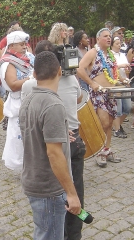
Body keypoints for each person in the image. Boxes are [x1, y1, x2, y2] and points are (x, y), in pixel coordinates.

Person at [21, 40, 86, 240]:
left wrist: (57, 131)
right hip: (49, 187)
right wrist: (72, 193)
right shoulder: (53, 105)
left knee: (43, 232)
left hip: (33, 181)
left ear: (34, 74)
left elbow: (34, 133)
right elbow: (54, 153)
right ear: (59, 71)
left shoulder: (28, 99)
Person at [77, 28, 124, 167]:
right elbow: (79, 69)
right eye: (105, 36)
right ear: (98, 39)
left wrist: (122, 79)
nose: (109, 38)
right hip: (98, 93)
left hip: (110, 93)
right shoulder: (93, 53)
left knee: (109, 123)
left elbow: (113, 72)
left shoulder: (110, 54)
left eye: (110, 36)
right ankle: (99, 152)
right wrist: (91, 83)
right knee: (102, 122)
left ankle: (106, 149)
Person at [0, 31, 34, 171]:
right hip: (19, 103)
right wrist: (32, 79)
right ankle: (23, 167)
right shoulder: (8, 62)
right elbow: (13, 85)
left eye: (25, 43)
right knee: (20, 139)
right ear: (12, 45)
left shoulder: (29, 57)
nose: (25, 46)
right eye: (21, 44)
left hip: (32, 100)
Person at [110, 36, 131, 138]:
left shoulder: (123, 54)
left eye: (120, 43)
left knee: (127, 107)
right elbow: (111, 68)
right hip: (115, 83)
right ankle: (117, 129)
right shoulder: (110, 55)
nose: (119, 45)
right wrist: (121, 65)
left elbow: (126, 69)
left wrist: (127, 74)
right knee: (118, 107)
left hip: (125, 82)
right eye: (117, 43)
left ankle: (117, 125)